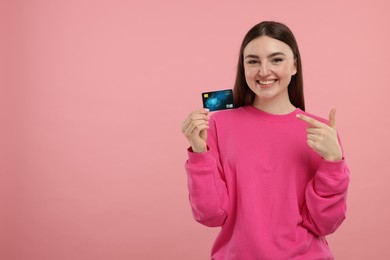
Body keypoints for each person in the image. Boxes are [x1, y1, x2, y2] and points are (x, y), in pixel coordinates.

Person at [181, 21, 350, 260]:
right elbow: (211, 215)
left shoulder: (319, 131)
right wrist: (199, 153)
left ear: (294, 66)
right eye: (253, 61)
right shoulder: (219, 124)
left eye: (276, 59)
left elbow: (326, 224)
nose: (263, 71)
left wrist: (333, 162)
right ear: (243, 67)